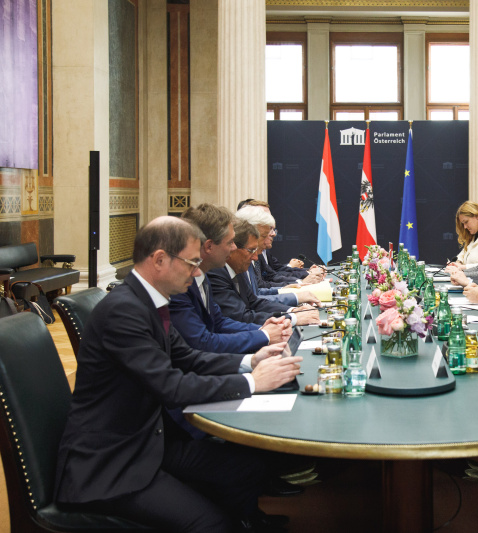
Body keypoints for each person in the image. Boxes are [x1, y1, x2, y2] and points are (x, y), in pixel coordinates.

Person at [54, 216, 303, 532]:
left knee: (245, 467)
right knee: (211, 524)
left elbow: (188, 357)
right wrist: (252, 382)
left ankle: (246, 522)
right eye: (192, 263)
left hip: (150, 440)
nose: (198, 272)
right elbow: (171, 386)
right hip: (113, 464)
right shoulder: (123, 311)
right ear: (159, 260)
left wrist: (251, 361)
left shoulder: (150, 301)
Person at [169, 203, 291, 354]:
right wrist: (264, 335)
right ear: (209, 246)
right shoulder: (179, 285)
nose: (234, 248)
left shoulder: (203, 276)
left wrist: (262, 329)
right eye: (230, 242)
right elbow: (201, 342)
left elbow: (219, 322)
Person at [208, 219, 308, 325]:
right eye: (251, 250)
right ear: (234, 249)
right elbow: (240, 316)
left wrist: (292, 310)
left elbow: (254, 302)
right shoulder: (216, 273)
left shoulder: (238, 268)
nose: (255, 257)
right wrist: (292, 318)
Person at [235, 205, 321, 313]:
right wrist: (293, 308)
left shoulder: (251, 255)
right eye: (265, 234)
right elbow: (250, 304)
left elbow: (256, 293)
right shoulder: (238, 262)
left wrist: (287, 290)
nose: (273, 234)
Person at [448, 200, 478, 269]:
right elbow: (461, 255)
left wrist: (462, 267)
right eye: (463, 224)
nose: (465, 227)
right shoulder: (473, 238)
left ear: (476, 216)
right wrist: (457, 263)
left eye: (466, 222)